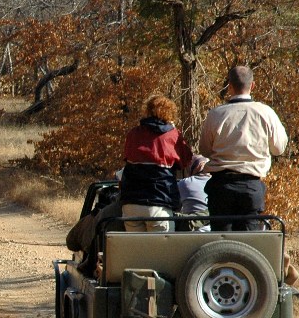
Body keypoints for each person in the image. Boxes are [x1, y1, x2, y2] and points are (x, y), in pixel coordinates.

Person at [199, 66, 288, 231]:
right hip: (251, 185)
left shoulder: (216, 114)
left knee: (221, 242)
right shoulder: (265, 113)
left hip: (221, 186)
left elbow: (205, 150)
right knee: (247, 243)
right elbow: (278, 148)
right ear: (252, 85)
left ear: (230, 86)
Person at [120, 94, 193, 232]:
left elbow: (128, 158)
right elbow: (186, 160)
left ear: (147, 111)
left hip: (131, 203)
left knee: (136, 251)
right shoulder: (172, 135)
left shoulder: (133, 133)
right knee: (161, 251)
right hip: (159, 203)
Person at [177, 154, 211, 232]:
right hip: (216, 227)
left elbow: (176, 206)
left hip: (193, 228)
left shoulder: (185, 183)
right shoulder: (216, 183)